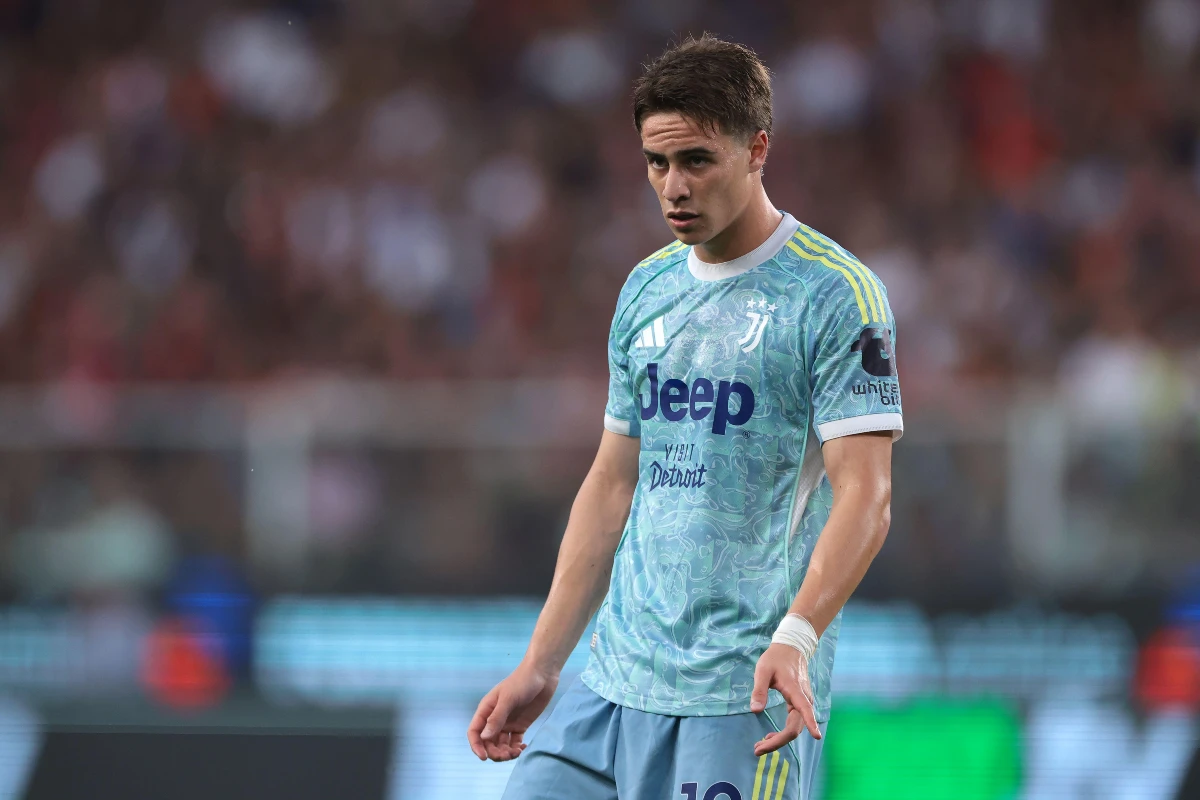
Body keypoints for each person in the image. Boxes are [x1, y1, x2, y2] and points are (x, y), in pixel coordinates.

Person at [467, 34, 901, 800]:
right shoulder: (646, 289)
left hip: (743, 694)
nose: (673, 187)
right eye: (656, 162)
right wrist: (542, 661)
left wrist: (798, 637)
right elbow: (613, 482)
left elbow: (868, 495)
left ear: (757, 148)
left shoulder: (838, 296)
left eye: (696, 160)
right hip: (612, 684)